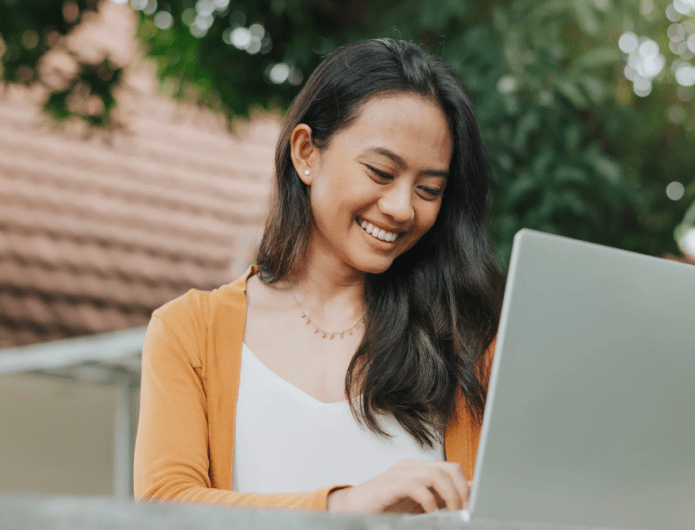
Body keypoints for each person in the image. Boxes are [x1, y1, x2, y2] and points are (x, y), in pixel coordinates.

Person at [133, 38, 504, 514]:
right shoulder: (189, 332)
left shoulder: (471, 342)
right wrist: (343, 507)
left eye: (429, 189)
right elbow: (163, 511)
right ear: (307, 152)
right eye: (380, 172)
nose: (401, 207)